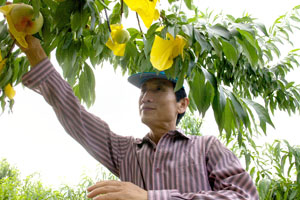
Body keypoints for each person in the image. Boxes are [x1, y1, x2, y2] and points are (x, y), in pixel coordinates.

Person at [18, 35, 259, 200]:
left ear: (182, 104)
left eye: (158, 89)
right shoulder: (126, 151)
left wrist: (149, 197)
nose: (146, 96)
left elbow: (243, 195)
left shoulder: (206, 147)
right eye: (143, 91)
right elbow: (75, 116)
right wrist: (38, 57)